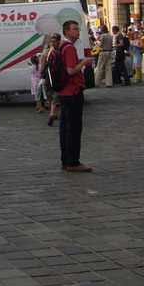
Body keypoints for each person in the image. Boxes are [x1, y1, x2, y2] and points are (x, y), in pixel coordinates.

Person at [55, 20, 93, 172]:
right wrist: (83, 62)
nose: (78, 32)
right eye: (75, 29)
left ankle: (66, 160)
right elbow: (71, 70)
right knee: (74, 128)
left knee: (65, 128)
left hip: (64, 91)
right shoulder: (69, 48)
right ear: (67, 32)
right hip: (73, 91)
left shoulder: (62, 46)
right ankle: (73, 162)